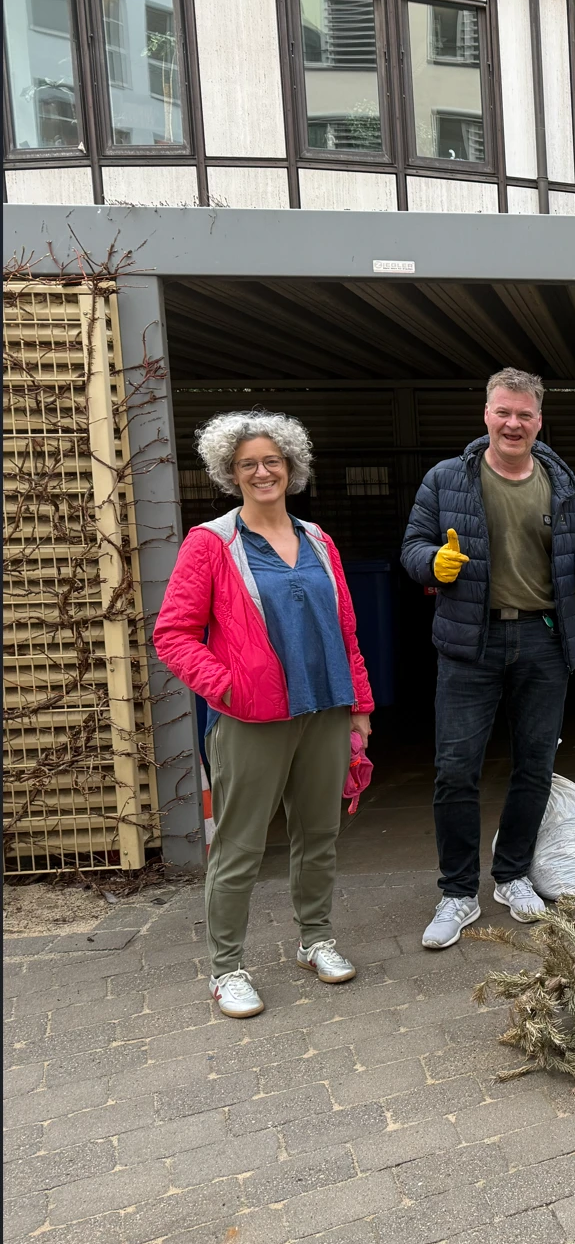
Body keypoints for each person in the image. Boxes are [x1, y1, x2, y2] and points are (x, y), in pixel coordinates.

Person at [402, 368, 575, 948]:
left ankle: (510, 876)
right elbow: (410, 548)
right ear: (486, 414)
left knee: (533, 766)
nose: (513, 423)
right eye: (503, 411)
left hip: (541, 641)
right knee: (456, 769)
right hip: (469, 644)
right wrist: (433, 564)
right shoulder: (446, 479)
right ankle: (457, 892)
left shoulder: (561, 481)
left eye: (525, 414)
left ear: (538, 419)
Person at [154, 412, 375, 1019]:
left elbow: (346, 631)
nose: (261, 471)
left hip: (326, 709)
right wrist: (226, 687)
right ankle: (226, 970)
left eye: (271, 460)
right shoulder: (211, 543)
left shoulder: (319, 540)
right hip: (250, 720)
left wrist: (360, 705)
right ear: (231, 472)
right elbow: (173, 634)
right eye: (247, 462)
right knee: (239, 847)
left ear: (291, 467)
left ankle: (316, 939)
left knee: (319, 836)